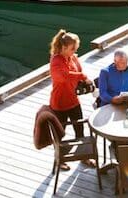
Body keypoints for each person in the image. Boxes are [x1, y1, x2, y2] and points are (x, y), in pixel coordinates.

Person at [48, 29, 96, 169]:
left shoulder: (73, 57)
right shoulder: (56, 61)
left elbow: (77, 72)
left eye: (75, 49)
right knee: (60, 133)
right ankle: (59, 159)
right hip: (59, 103)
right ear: (63, 47)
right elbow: (63, 76)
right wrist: (82, 76)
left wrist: (85, 83)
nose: (74, 51)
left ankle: (84, 157)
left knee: (80, 130)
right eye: (72, 49)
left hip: (73, 100)